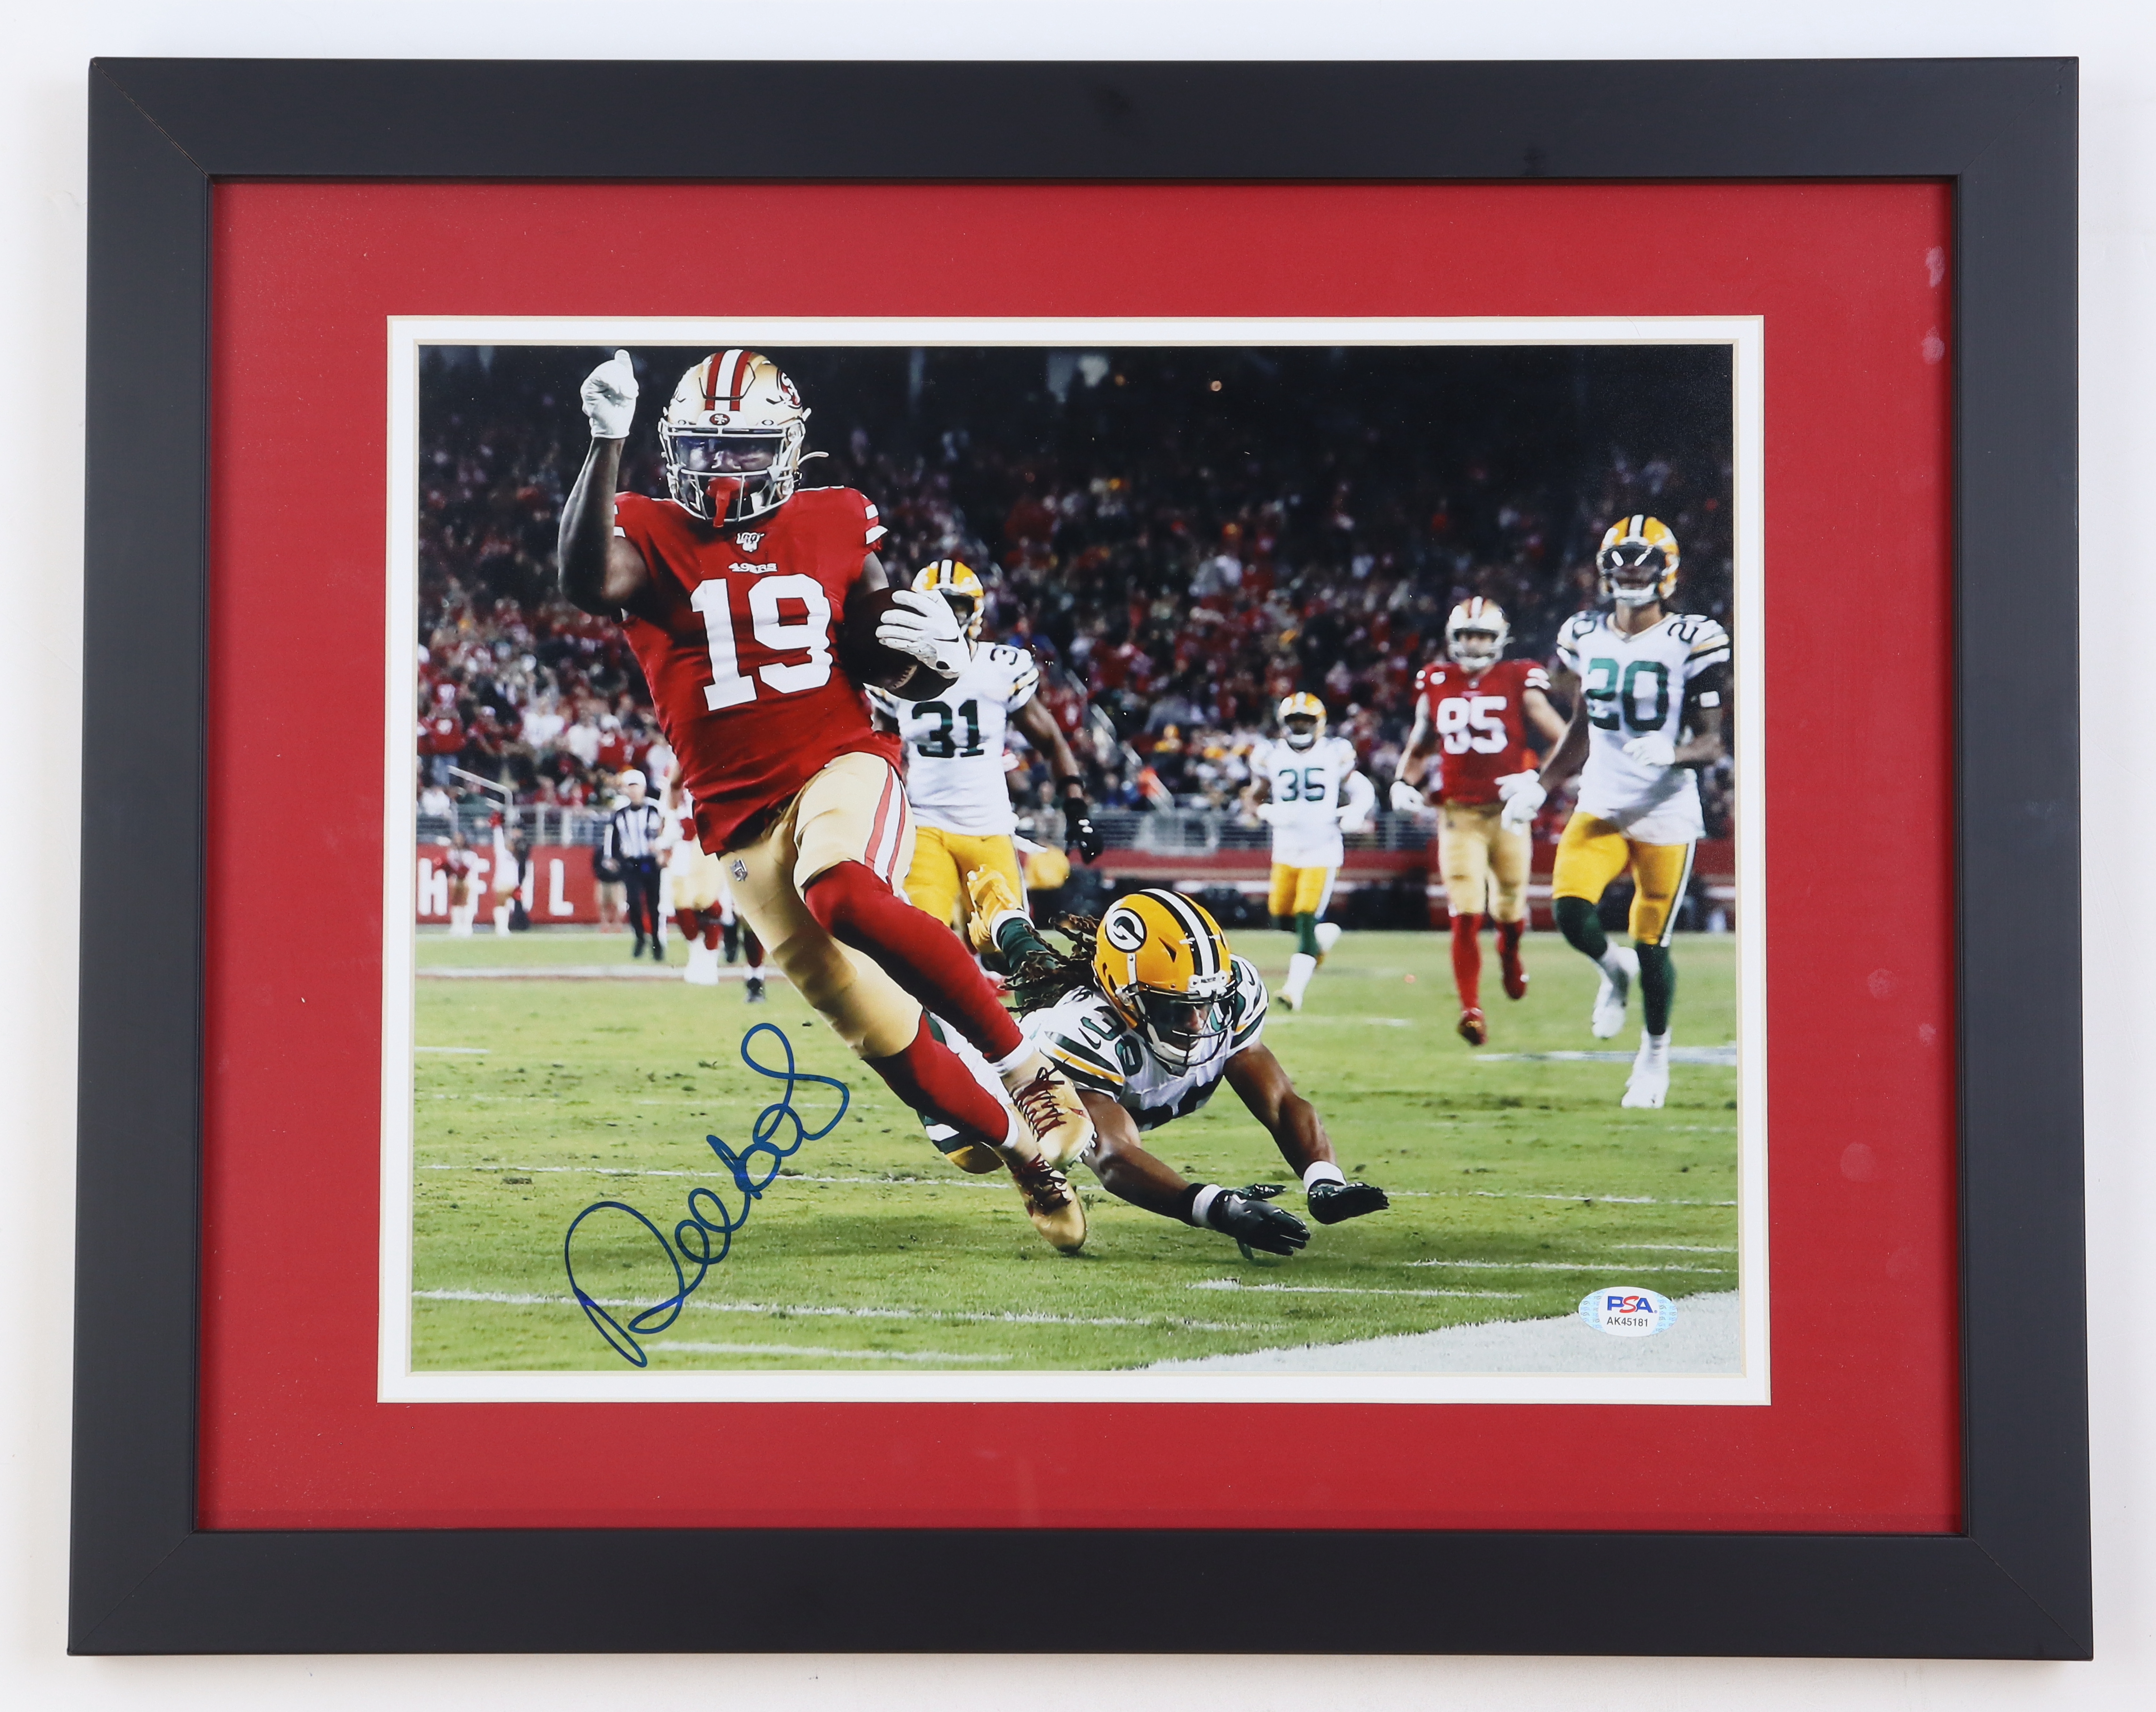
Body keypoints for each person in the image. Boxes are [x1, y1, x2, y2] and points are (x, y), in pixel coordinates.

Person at [557, 347, 1094, 1251]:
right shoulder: (647, 526)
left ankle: (1024, 1065)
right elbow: (583, 582)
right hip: (738, 819)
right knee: (891, 1045)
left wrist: (934, 661)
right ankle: (1022, 1155)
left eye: (742, 448)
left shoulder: (837, 517)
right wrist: (603, 440)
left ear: (787, 448)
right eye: (702, 447)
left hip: (838, 762)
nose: (720, 467)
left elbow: (880, 655)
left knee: (841, 888)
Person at [926, 872, 1389, 1255]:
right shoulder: (1085, 1033)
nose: (1197, 1021)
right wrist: (1218, 1208)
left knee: (1043, 974)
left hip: (1067, 1011)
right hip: (995, 1092)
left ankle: (1003, 917)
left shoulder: (1227, 996)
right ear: (1123, 995)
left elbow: (1282, 1102)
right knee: (972, 1143)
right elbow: (1113, 1157)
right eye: (1174, 1006)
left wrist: (1323, 1179)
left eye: (1204, 1002)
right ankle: (923, 974)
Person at [1499, 516, 1729, 1109]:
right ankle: (1611, 971)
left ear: (1665, 570)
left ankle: (1653, 1056)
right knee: (1570, 912)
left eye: (1641, 561)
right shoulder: (1584, 632)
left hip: (1665, 810)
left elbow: (1712, 741)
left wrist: (1674, 752)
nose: (1629, 572)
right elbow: (1581, 725)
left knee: (1651, 942)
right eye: (1620, 561)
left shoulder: (1691, 637)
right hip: (1601, 800)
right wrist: (1540, 786)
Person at [871, 558, 1103, 937]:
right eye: (937, 606)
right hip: (924, 825)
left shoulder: (1000, 666)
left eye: (956, 607)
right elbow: (880, 753)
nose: (947, 617)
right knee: (924, 938)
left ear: (975, 611)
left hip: (989, 825)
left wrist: (1077, 809)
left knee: (1006, 944)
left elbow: (1050, 741)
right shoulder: (896, 674)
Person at [1390, 597, 1568, 1045]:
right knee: (1466, 909)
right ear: (1454, 638)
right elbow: (1421, 744)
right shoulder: (1436, 680)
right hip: (1459, 813)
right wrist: (1403, 781)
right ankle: (1471, 1008)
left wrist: (1535, 779)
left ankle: (1510, 955)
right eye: (1467, 635)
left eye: (1482, 636)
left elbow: (1563, 739)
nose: (1473, 644)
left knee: (1509, 906)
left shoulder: (1518, 677)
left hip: (1508, 812)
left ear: (1499, 640)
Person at [1238, 693, 1373, 1011]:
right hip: (1285, 848)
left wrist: (1356, 812)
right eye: (1294, 721)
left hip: (1322, 847)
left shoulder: (1334, 752)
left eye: (1306, 721)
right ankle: (1320, 939)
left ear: (1319, 723)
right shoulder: (1270, 754)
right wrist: (1262, 811)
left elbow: (1362, 788)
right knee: (1281, 917)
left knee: (1305, 913)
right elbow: (1254, 796)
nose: (1300, 726)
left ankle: (1293, 990)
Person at [663, 760, 766, 1001]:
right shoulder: (690, 762)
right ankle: (714, 949)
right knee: (694, 900)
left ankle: (755, 977)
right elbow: (674, 787)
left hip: (738, 842)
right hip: (705, 843)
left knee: (746, 912)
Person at [602, 768, 669, 960]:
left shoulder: (655, 809)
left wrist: (663, 851)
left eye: (636, 787)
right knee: (633, 902)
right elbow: (612, 836)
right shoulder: (620, 813)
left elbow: (665, 831)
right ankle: (640, 937)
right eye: (629, 787)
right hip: (631, 863)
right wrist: (611, 857)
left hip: (651, 862)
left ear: (644, 788)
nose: (633, 791)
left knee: (654, 904)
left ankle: (656, 941)